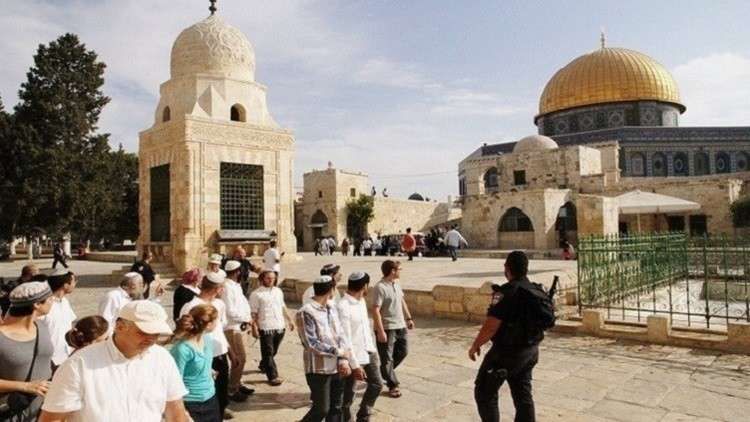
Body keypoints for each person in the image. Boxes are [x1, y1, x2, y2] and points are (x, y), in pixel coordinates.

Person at [39, 301, 189, 422]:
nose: (151, 339)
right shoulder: (79, 364)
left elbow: (176, 411)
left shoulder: (162, 358)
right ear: (119, 326)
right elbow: (52, 418)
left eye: (156, 333)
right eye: (143, 332)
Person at [469, 251, 540, 422]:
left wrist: (476, 345)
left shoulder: (505, 293)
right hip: (530, 351)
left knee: (484, 392)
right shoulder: (535, 290)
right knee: (522, 394)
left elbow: (491, 326)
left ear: (507, 268)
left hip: (506, 354)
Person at [296, 276, 356, 422]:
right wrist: (338, 352)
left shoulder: (332, 308)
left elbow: (341, 334)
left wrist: (343, 360)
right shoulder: (306, 312)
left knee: (336, 407)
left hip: (337, 367)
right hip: (318, 370)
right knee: (321, 409)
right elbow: (311, 343)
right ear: (331, 290)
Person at [179, 271, 232, 420]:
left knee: (221, 394)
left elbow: (220, 331)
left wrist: (230, 351)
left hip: (219, 354)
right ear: (218, 289)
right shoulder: (191, 306)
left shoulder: (219, 304)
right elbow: (184, 332)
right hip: (200, 357)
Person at [0, 282, 54, 422]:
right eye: (50, 298)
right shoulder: (2, 337)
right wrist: (25, 386)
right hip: (12, 414)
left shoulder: (41, 326)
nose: (53, 300)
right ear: (37, 304)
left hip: (44, 412)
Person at [338, 272, 382, 422]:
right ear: (364, 286)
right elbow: (345, 338)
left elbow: (364, 329)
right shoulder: (343, 306)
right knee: (349, 393)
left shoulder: (361, 301)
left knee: (377, 384)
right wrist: (355, 365)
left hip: (369, 350)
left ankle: (363, 415)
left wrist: (373, 348)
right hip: (354, 355)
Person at [170, 304, 221, 422]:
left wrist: (208, 371)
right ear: (208, 325)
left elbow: (202, 363)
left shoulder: (208, 340)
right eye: (216, 320)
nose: (217, 323)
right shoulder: (182, 349)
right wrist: (182, 412)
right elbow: (174, 382)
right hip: (190, 404)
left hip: (211, 398)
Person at [372, 260, 414, 398]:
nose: (401, 271)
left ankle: (381, 373)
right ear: (392, 271)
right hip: (387, 327)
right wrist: (380, 330)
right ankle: (392, 384)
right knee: (387, 358)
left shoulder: (396, 283)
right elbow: (375, 310)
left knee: (403, 351)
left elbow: (401, 301)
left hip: (400, 325)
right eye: (399, 269)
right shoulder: (380, 287)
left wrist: (408, 318)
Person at [249, 270, 295, 386]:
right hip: (265, 326)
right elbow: (253, 313)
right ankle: (273, 376)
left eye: (273, 278)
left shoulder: (278, 291)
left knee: (273, 350)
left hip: (279, 325)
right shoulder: (256, 294)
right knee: (268, 351)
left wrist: (290, 320)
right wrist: (254, 327)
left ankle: (264, 365)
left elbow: (283, 306)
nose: (271, 280)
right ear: (262, 279)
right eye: (268, 278)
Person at [220, 261, 255, 401]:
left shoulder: (235, 285)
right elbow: (230, 311)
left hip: (241, 326)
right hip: (232, 328)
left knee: (241, 357)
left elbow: (243, 303)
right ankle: (231, 389)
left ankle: (237, 383)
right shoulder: (227, 287)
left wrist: (248, 318)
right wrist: (246, 319)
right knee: (239, 359)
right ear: (237, 272)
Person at [39, 270, 78, 370]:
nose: (75, 283)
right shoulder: (44, 305)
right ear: (65, 285)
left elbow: (70, 324)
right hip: (48, 360)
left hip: (66, 356)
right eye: (74, 281)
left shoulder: (65, 302)